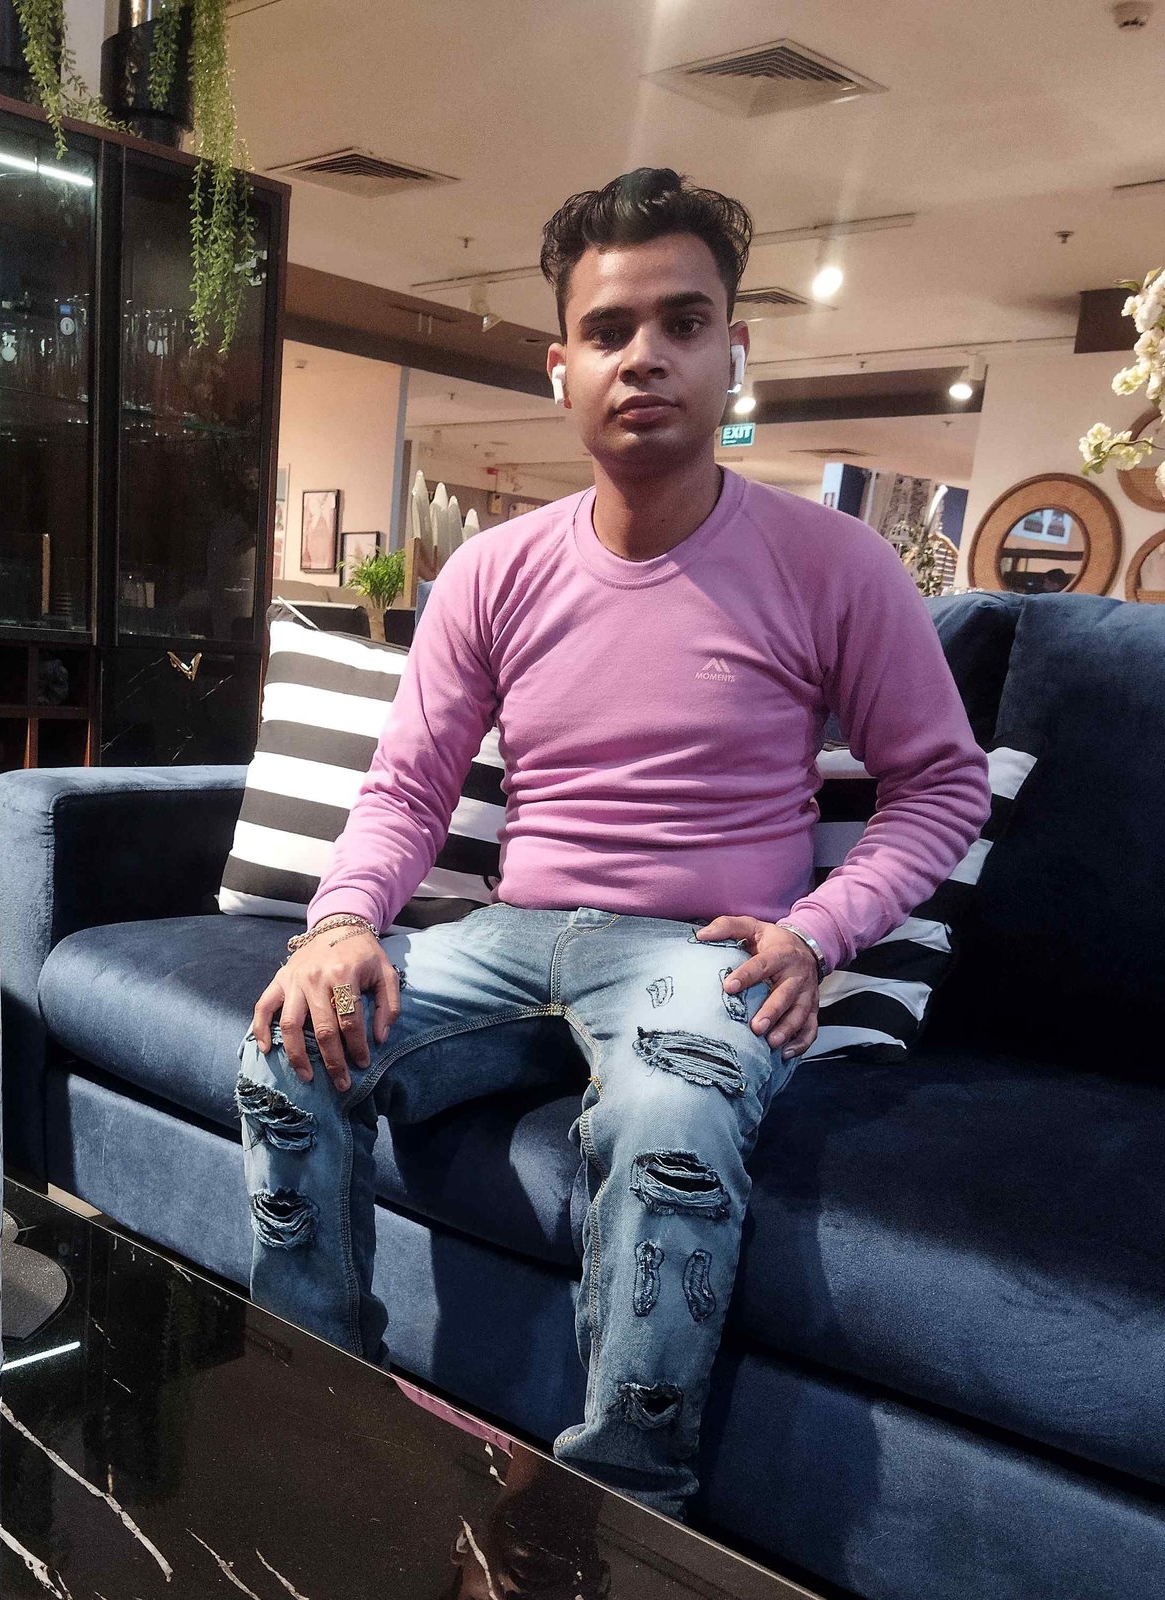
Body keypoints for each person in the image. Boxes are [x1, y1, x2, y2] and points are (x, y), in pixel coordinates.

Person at [234, 168, 992, 1524]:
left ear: (732, 351)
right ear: (562, 368)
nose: (645, 356)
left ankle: (616, 1520)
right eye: (609, 329)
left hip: (699, 953)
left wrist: (819, 932)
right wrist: (340, 924)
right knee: (289, 1046)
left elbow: (939, 787)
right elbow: (407, 788)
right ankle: (320, 1406)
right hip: (511, 937)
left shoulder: (836, 566)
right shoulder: (492, 571)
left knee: (669, 1115)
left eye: (683, 324)